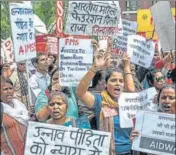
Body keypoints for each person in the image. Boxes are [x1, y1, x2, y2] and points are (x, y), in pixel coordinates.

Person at [76, 42, 135, 155]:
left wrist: (127, 67)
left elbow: (132, 90)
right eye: (113, 80)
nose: (118, 84)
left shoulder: (130, 102)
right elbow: (80, 92)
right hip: (105, 151)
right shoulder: (99, 101)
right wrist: (94, 68)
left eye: (121, 81)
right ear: (105, 85)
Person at [130, 85, 176, 155]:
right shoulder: (146, 121)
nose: (167, 101)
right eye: (163, 97)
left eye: (171, 98)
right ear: (158, 100)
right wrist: (135, 140)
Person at [1, 78, 29, 155]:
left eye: (10, 88)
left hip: (25, 149)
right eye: (5, 89)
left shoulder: (20, 105)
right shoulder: (1, 110)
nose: (9, 91)